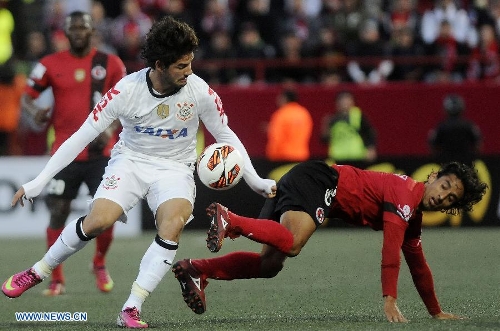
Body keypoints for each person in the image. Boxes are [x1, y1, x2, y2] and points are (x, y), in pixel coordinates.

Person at [2, 15, 275, 329]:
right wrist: (39, 181)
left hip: (176, 169)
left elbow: (226, 136)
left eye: (190, 64)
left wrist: (254, 180)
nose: (189, 73)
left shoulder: (199, 91)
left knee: (171, 225)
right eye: (181, 67)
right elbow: (80, 136)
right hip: (130, 162)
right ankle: (39, 270)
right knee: (98, 221)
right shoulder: (126, 91)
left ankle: (131, 307)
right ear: (159, 65)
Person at [172, 160, 487, 322]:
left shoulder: (412, 216)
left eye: (451, 198)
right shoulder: (405, 197)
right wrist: (389, 297)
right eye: (444, 185)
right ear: (432, 177)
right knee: (293, 244)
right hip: (320, 182)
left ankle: (198, 270)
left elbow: (418, 266)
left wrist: (435, 311)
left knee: (270, 264)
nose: (442, 196)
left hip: (310, 183)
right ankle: (232, 220)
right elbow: (391, 249)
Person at [20, 11, 126, 297]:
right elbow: (26, 97)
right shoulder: (48, 65)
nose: (78, 31)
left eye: (83, 27)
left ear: (93, 31)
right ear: (65, 33)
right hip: (64, 154)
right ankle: (56, 279)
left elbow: (127, 102)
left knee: (106, 215)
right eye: (73, 28)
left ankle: (99, 262)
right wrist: (35, 112)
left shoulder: (110, 63)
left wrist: (113, 125)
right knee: (58, 213)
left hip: (102, 153)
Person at [320, 91, 377, 163]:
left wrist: (371, 148)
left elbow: (369, 133)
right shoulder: (331, 119)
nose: (344, 103)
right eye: (342, 100)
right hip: (338, 156)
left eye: (347, 100)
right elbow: (325, 139)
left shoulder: (358, 116)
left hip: (357, 156)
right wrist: (325, 127)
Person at [428, 93, 482, 164]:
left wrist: (440, 158)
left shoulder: (441, 127)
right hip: (465, 165)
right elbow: (478, 145)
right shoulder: (468, 126)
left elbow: (433, 145)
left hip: (447, 165)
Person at [265, 89, 313, 162]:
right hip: (301, 155)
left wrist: (272, 155)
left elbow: (277, 136)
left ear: (285, 98)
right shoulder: (304, 113)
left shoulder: (281, 114)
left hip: (282, 156)